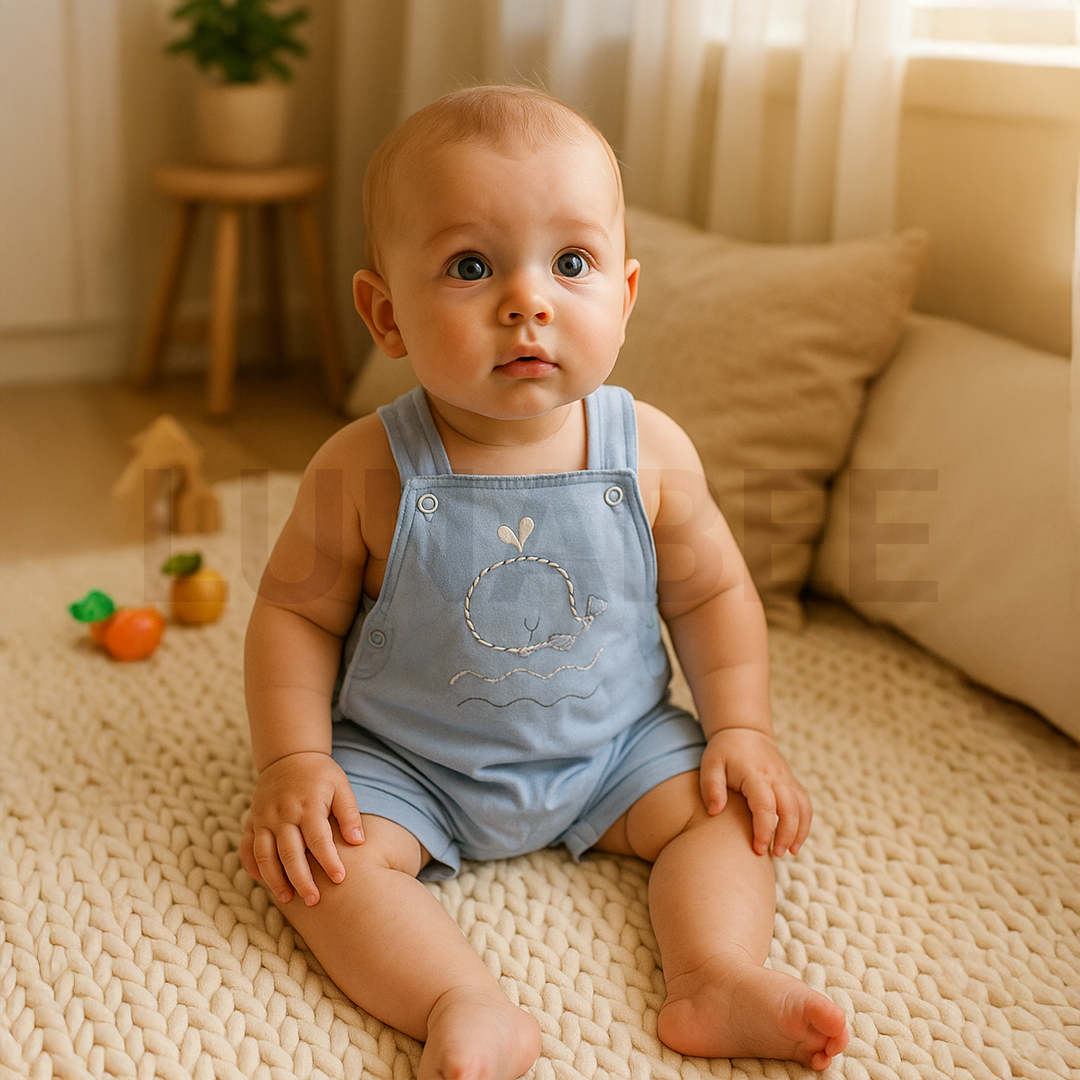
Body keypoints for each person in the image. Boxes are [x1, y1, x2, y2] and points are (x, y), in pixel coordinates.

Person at [241, 84, 850, 1079]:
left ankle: (714, 974)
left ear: (625, 293)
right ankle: (461, 1001)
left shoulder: (648, 449)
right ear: (386, 315)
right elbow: (293, 618)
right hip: (412, 763)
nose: (528, 300)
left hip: (615, 751)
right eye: (471, 266)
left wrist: (741, 728)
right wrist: (292, 763)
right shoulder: (361, 467)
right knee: (319, 864)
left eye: (572, 263)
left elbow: (710, 598)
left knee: (725, 811)